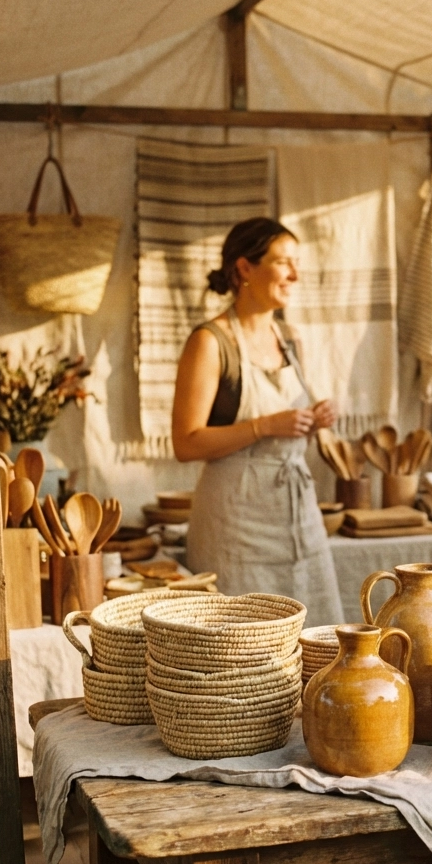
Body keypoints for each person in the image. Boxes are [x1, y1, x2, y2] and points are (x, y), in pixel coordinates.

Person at [172, 217, 344, 624]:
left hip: (298, 516)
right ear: (245, 268)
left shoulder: (291, 338)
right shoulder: (210, 342)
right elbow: (186, 443)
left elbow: (288, 419)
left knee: (315, 637)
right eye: (283, 262)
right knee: (242, 649)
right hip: (236, 525)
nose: (295, 274)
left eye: (296, 263)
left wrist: (315, 419)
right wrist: (265, 426)